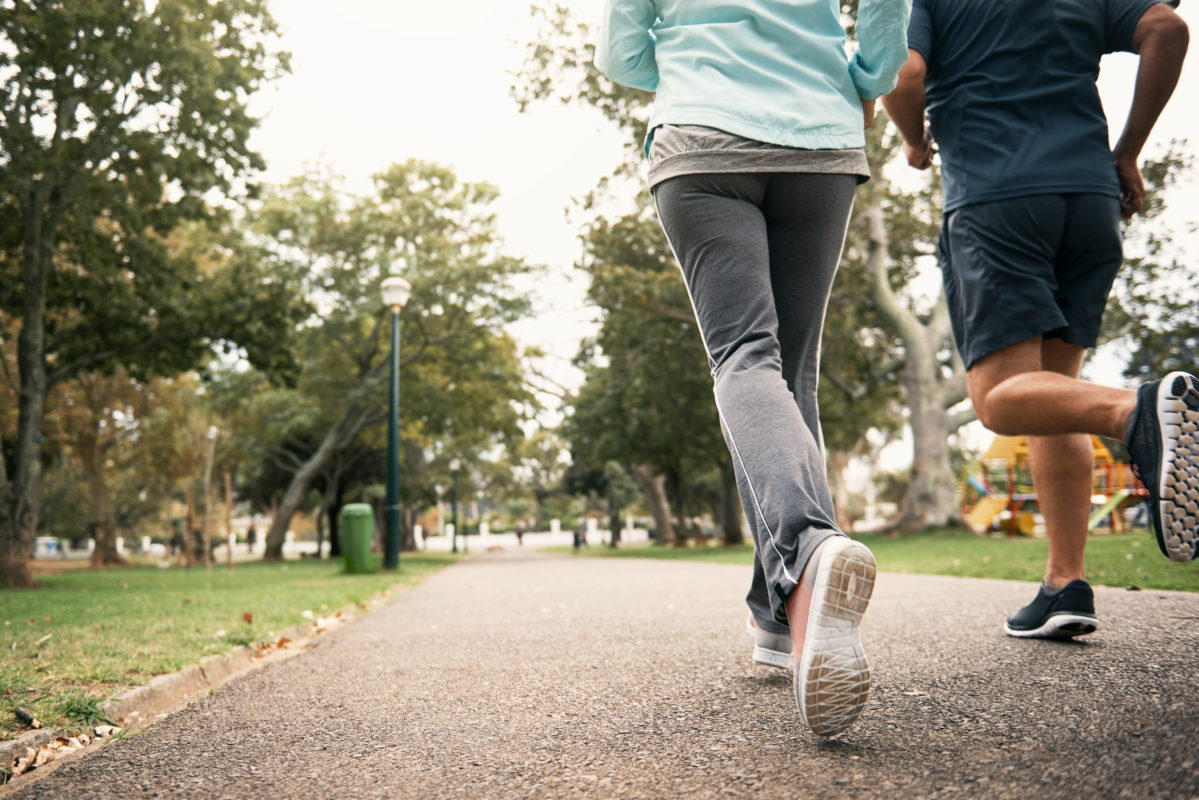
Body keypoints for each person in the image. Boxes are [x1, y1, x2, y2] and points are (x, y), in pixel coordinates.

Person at [596, 0, 910, 735]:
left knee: (745, 357)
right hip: (818, 142)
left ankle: (805, 549)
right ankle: (779, 617)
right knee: (789, 373)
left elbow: (620, 54)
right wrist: (866, 77)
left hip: (704, 140)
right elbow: (889, 11)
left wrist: (689, 64)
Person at [881, 0, 1192, 639]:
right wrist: (1128, 150)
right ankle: (1065, 586)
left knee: (998, 398)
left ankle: (1138, 413)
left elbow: (905, 75)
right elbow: (1166, 28)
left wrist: (914, 140)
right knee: (1056, 396)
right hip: (1091, 203)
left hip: (999, 201)